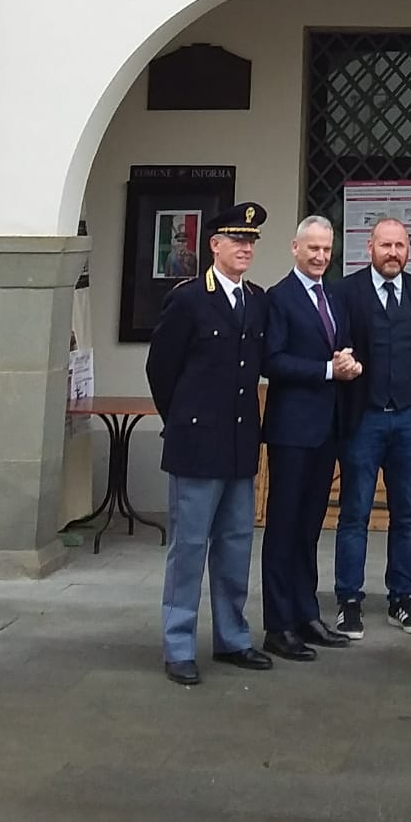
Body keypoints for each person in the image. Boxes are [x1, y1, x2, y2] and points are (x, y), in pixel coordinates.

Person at [145, 199, 273, 686]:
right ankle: (178, 643)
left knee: (236, 546)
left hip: (240, 444)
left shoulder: (256, 300)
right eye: (237, 240)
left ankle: (233, 637)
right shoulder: (189, 299)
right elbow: (162, 369)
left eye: (251, 242)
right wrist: (182, 421)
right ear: (214, 245)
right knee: (189, 548)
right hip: (197, 445)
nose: (245, 248)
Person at [260, 214, 363, 661]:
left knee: (308, 529)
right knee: (283, 529)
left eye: (327, 249)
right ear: (295, 248)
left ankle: (306, 614)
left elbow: (339, 349)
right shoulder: (278, 298)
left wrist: (349, 364)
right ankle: (277, 625)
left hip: (326, 430)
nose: (321, 256)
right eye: (313, 248)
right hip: (291, 431)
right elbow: (273, 361)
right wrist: (327, 371)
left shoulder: (333, 296)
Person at [332, 217, 411, 639]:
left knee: (407, 514)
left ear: (408, 249)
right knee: (355, 512)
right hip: (364, 417)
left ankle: (401, 597)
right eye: (385, 245)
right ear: (369, 248)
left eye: (400, 245)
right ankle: (349, 600)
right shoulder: (345, 293)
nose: (393, 252)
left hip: (410, 418)